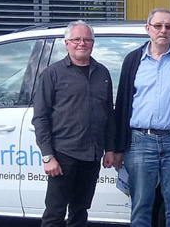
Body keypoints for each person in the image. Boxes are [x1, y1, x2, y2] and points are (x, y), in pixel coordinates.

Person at [114, 8, 170, 227]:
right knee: (141, 205)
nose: (163, 30)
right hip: (140, 141)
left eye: (168, 26)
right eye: (158, 26)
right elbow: (122, 104)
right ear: (148, 29)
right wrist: (118, 147)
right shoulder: (133, 60)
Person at [32, 20, 118, 227]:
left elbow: (108, 114)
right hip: (63, 155)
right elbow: (40, 117)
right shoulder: (52, 74)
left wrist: (110, 149)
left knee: (81, 210)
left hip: (92, 155)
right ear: (67, 43)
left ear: (93, 43)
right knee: (55, 212)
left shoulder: (103, 73)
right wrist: (48, 156)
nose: (82, 43)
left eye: (87, 39)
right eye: (77, 39)